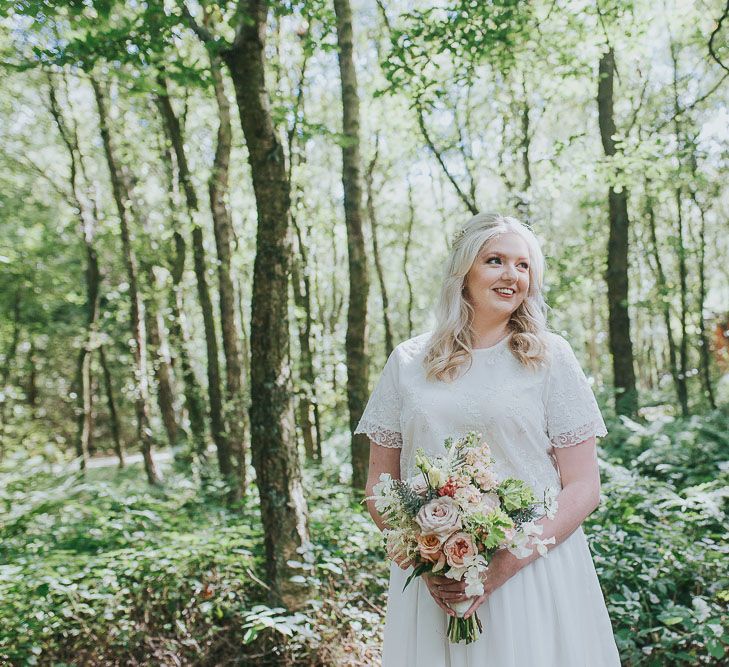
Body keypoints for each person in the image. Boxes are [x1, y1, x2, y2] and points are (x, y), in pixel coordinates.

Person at [356, 212, 621, 666]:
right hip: (437, 580)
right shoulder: (408, 362)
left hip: (533, 569)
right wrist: (426, 561)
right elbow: (380, 483)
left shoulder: (550, 357)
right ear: (464, 272)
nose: (511, 275)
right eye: (495, 260)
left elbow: (584, 486)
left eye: (523, 266)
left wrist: (503, 566)